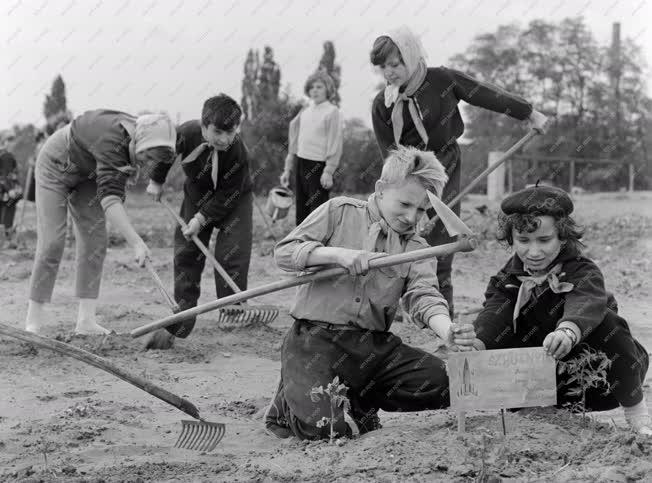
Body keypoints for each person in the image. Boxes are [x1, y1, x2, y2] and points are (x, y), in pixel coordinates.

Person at [264, 145, 476, 440]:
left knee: (447, 382)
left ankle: (358, 402)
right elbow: (284, 253)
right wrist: (336, 255)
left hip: (372, 346)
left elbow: (423, 296)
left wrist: (447, 330)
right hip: (315, 340)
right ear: (380, 189)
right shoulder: (339, 211)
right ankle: (289, 403)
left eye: (421, 210)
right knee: (328, 429)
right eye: (404, 204)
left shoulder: (417, 248)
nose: (411, 217)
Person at [370, 26, 548, 316]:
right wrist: (396, 192)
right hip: (406, 172)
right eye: (383, 67)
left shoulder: (443, 79)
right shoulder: (383, 104)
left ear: (411, 56)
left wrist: (527, 112)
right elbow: (388, 155)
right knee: (397, 232)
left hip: (443, 164)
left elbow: (488, 95)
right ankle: (390, 304)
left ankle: (441, 314)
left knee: (439, 237)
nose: (389, 72)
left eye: (395, 63)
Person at [472, 184, 651, 435]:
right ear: (511, 239)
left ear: (563, 236)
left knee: (610, 324)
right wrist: (476, 342)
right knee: (494, 334)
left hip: (590, 380)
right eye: (523, 241)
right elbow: (494, 313)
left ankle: (637, 417)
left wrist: (568, 331)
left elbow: (585, 301)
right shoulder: (507, 278)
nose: (533, 252)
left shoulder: (583, 271)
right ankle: (532, 412)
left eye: (544, 240)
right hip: (537, 382)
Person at [24, 110, 176, 335]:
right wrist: (136, 242)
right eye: (147, 157)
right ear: (138, 142)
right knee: (52, 242)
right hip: (55, 166)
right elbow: (111, 200)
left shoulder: (146, 134)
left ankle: (86, 322)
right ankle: (33, 322)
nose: (148, 164)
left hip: (88, 175)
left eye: (154, 160)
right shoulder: (111, 140)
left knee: (96, 240)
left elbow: (111, 190)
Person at [147, 94, 253, 340]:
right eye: (217, 132)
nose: (224, 139)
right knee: (187, 252)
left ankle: (233, 311)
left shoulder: (238, 152)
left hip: (234, 199)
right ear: (204, 126)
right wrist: (156, 180)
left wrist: (201, 219)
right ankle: (184, 316)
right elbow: (165, 152)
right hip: (197, 194)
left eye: (230, 132)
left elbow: (230, 193)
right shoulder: (185, 132)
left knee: (232, 252)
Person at [280, 71, 343, 225]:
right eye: (312, 87)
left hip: (319, 166)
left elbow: (335, 142)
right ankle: (300, 244)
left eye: (319, 87)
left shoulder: (332, 111)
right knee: (301, 208)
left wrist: (328, 171)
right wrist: (287, 169)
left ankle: (319, 246)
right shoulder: (305, 111)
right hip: (301, 163)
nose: (315, 90)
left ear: (328, 89)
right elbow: (294, 137)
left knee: (318, 211)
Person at [0, 132, 22, 248]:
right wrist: (10, 190)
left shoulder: (2, 154)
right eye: (11, 141)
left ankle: (3, 241)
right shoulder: (7, 156)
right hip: (6, 190)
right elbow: (6, 175)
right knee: (8, 212)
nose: (13, 144)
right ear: (5, 142)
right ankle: (7, 241)